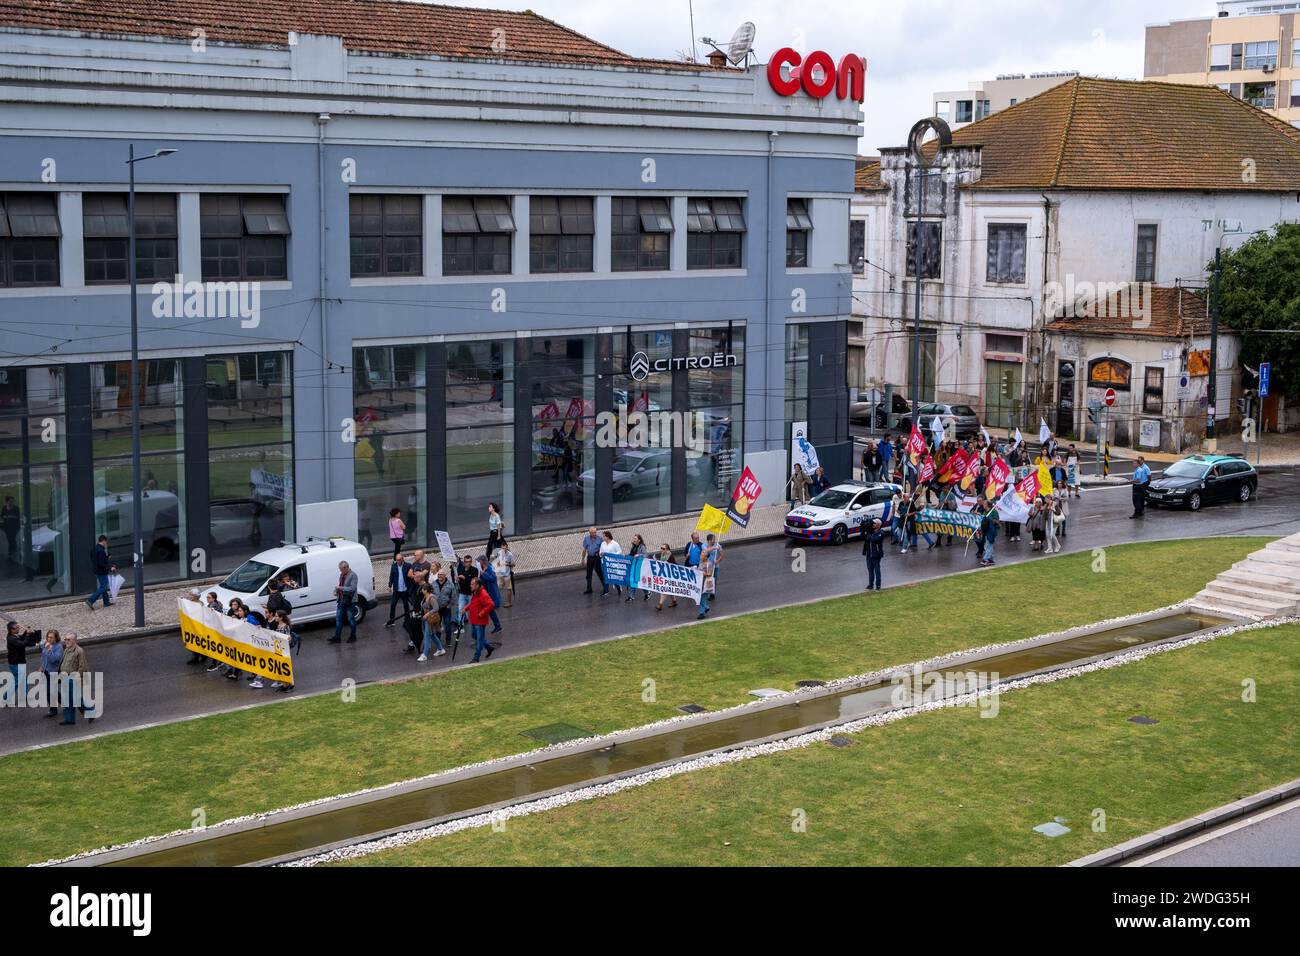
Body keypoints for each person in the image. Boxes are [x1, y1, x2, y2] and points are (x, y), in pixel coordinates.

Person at [5, 621, 41, 706]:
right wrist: (28, 635)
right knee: (18, 681)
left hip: (19, 662)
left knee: (23, 680)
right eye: (17, 628)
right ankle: (6, 698)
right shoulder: (11, 639)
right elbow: (23, 643)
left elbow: (21, 637)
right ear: (12, 630)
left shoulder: (14, 635)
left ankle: (24, 697)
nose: (19, 628)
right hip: (15, 664)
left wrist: (26, 632)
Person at [58, 633, 91, 725]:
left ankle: (90, 712)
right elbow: (63, 663)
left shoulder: (79, 651)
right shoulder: (66, 650)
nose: (66, 641)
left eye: (69, 639)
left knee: (76, 699)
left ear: (74, 640)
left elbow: (83, 667)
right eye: (65, 639)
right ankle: (69, 719)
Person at [465, 577, 497, 663]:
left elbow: (491, 604)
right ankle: (489, 647)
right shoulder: (475, 592)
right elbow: (473, 603)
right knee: (474, 636)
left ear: (477, 585)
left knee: (479, 639)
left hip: (480, 621)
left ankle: (476, 657)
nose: (470, 586)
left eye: (472, 584)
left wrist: (482, 613)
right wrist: (466, 608)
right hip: (474, 619)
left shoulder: (483, 593)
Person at [330, 560, 359, 643]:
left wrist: (340, 588)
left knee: (350, 619)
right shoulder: (342, 575)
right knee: (338, 619)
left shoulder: (353, 575)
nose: (340, 571)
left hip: (350, 601)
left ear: (346, 567)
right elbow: (340, 585)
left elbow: (352, 588)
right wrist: (336, 591)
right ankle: (337, 637)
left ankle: (353, 636)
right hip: (341, 600)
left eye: (341, 569)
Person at [431, 568, 457, 656]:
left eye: (441, 574)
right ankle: (438, 641)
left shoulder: (450, 585)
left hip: (446, 608)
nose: (439, 576)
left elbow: (453, 596)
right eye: (438, 575)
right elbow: (430, 595)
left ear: (445, 575)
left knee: (447, 624)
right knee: (437, 626)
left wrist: (449, 605)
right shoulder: (433, 584)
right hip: (437, 609)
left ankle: (448, 640)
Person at [86, 534, 115, 610]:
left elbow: (96, 560)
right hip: (101, 571)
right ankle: (91, 600)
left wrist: (106, 557)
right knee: (103, 587)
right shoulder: (101, 551)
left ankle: (106, 602)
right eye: (106, 542)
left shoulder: (94, 549)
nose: (106, 543)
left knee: (103, 586)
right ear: (104, 540)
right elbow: (101, 563)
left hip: (96, 570)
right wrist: (110, 568)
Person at [416, 584, 445, 662]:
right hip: (427, 619)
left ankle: (424, 655)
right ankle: (440, 649)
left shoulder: (431, 598)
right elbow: (424, 607)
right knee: (432, 635)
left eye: (422, 589)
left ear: (426, 590)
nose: (421, 590)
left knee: (427, 636)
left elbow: (436, 608)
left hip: (430, 620)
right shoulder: (425, 597)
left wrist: (427, 614)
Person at [476, 555, 504, 633]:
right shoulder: (484, 569)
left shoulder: (490, 569)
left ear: (482, 561)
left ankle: (481, 629)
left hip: (492, 595)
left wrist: (483, 574)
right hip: (487, 595)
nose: (478, 563)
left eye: (479, 561)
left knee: (487, 611)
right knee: (490, 611)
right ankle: (497, 626)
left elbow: (493, 578)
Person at [385, 552, 411, 629]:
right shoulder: (394, 566)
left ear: (403, 559)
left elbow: (411, 577)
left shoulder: (408, 566)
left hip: (405, 589)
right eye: (397, 560)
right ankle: (392, 621)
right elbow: (391, 576)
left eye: (399, 560)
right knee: (393, 605)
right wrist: (389, 586)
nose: (398, 562)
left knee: (406, 606)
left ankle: (407, 620)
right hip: (396, 590)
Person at [40, 630, 63, 717]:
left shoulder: (59, 647)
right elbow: (43, 656)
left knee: (51, 691)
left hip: (53, 672)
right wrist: (42, 666)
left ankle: (56, 709)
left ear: (56, 638)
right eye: (48, 637)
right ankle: (57, 708)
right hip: (46, 671)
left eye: (51, 637)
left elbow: (55, 660)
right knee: (51, 692)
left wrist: (50, 650)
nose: (49, 639)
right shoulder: (46, 644)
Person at [654, 543, 679, 611]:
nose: (661, 549)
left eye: (663, 548)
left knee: (664, 588)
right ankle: (674, 601)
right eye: (661, 548)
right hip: (666, 574)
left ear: (667, 550)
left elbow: (673, 565)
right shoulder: (663, 554)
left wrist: (668, 563)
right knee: (669, 588)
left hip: (671, 574)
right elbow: (662, 563)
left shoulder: (669, 555)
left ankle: (660, 604)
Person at [580, 527, 604, 594]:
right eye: (593, 532)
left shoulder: (600, 539)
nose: (595, 533)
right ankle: (589, 588)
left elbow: (603, 549)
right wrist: (583, 559)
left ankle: (605, 587)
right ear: (590, 533)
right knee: (588, 574)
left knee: (599, 573)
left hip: (597, 558)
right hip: (590, 557)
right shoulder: (586, 539)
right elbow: (584, 549)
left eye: (595, 532)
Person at [455, 555, 478, 628]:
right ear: (464, 562)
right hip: (462, 593)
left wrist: (465, 578)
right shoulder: (460, 569)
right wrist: (457, 580)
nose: (468, 563)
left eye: (470, 562)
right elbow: (459, 581)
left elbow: (474, 582)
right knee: (460, 610)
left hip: (471, 594)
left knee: (472, 610)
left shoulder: (475, 570)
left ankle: (474, 625)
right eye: (467, 562)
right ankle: (460, 627)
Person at [862, 518, 885, 591]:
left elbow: (874, 539)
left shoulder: (881, 532)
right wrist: (863, 529)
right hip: (869, 554)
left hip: (876, 554)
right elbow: (862, 537)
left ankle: (878, 586)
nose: (873, 524)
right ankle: (870, 585)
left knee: (877, 570)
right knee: (870, 570)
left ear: (878, 525)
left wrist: (868, 532)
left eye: (874, 523)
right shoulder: (870, 531)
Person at [599, 531, 623, 597]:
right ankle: (606, 591)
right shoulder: (602, 543)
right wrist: (601, 554)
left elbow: (619, 551)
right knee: (605, 577)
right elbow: (600, 551)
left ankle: (618, 586)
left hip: (612, 563)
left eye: (604, 536)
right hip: (604, 563)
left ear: (607, 536)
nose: (602, 537)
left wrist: (613, 555)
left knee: (613, 576)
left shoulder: (614, 543)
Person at [625, 534, 647, 602]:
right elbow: (632, 554)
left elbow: (645, 555)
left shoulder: (642, 546)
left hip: (639, 566)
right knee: (634, 580)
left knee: (637, 580)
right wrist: (627, 555)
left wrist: (639, 555)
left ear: (639, 540)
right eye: (634, 538)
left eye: (635, 539)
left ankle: (647, 592)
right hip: (633, 565)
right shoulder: (634, 546)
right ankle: (631, 596)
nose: (634, 540)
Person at [494, 539, 516, 608]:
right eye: (502, 548)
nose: (503, 549)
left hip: (507, 574)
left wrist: (507, 564)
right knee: (498, 588)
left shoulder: (510, 554)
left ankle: (509, 602)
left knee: (509, 589)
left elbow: (513, 564)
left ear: (507, 546)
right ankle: (495, 601)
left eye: (505, 547)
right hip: (500, 574)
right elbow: (497, 562)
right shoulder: (499, 553)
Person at [978, 503, 999, 567]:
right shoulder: (985, 512)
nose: (983, 505)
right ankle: (991, 560)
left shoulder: (994, 511)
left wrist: (989, 519)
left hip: (991, 531)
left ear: (987, 505)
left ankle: (986, 559)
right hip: (986, 530)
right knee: (987, 545)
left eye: (984, 504)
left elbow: (997, 521)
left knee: (988, 545)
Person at [1, 495, 19, 559]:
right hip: (7, 528)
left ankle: (12, 552)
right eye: (10, 501)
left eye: (12, 501)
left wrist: (17, 528)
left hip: (14, 528)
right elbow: (2, 517)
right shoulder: (4, 509)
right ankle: (13, 551)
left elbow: (18, 518)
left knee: (12, 539)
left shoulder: (16, 509)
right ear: (7, 502)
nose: (11, 503)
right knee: (10, 539)